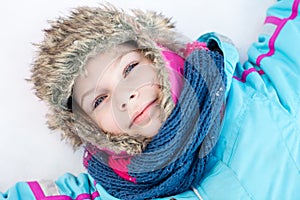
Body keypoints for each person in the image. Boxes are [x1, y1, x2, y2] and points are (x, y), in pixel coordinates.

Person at [1, 0, 299, 199]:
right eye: (99, 100)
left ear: (160, 53)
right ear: (88, 128)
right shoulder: (108, 191)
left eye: (130, 68)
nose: (126, 95)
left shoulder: (267, 91)